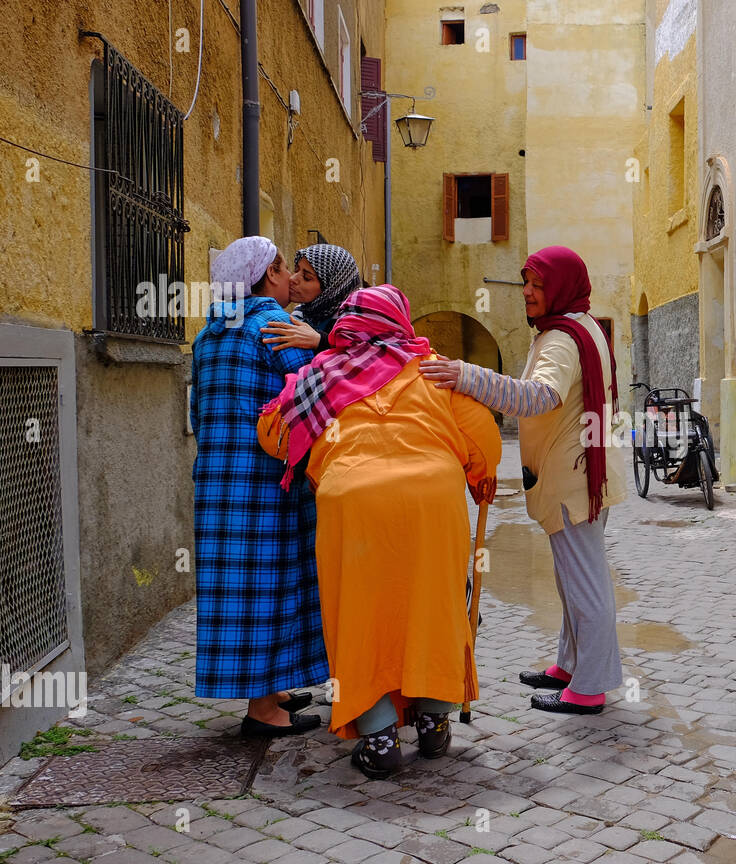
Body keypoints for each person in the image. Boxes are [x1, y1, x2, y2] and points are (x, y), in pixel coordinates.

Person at [258, 284, 501, 778]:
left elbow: (275, 433)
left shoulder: (320, 374)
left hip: (352, 502)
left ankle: (379, 735)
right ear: (400, 320)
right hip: (433, 501)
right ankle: (434, 722)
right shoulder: (432, 367)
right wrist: (477, 474)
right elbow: (485, 441)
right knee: (435, 609)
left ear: (346, 326)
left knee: (361, 618)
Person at [421, 245, 626, 716]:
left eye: (538, 285)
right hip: (583, 473)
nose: (528, 293)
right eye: (526, 283)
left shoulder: (560, 338)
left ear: (559, 287)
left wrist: (466, 376)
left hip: (571, 478)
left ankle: (590, 685)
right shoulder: (578, 325)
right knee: (572, 577)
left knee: (585, 581)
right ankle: (570, 666)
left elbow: (540, 397)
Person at [190, 236, 329, 737]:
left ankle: (273, 689)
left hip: (217, 484)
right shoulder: (274, 327)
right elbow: (311, 397)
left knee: (238, 592)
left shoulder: (208, 336)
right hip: (270, 485)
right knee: (273, 588)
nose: (289, 276)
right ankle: (262, 710)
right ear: (267, 275)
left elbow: (197, 412)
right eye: (281, 266)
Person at [260, 243, 362, 354]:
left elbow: (360, 357)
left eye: (307, 278)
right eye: (296, 270)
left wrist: (320, 341)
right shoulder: (300, 314)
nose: (293, 279)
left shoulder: (356, 319)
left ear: (332, 289)